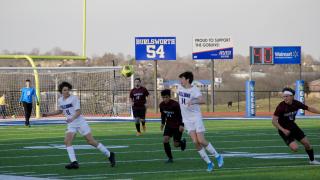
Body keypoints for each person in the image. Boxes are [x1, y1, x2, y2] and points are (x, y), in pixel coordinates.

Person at [42, 81, 115, 169]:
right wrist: (48, 114)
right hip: (71, 124)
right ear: (61, 91)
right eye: (64, 90)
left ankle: (109, 154)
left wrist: (72, 118)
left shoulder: (74, 98)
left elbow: (78, 111)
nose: (67, 91)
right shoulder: (60, 100)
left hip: (80, 122)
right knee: (67, 141)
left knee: (91, 141)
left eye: (68, 90)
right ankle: (74, 162)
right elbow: (60, 111)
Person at [177, 71, 223, 172]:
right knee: (195, 142)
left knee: (201, 140)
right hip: (186, 119)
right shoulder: (179, 88)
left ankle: (218, 156)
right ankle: (209, 163)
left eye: (182, 78)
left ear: (187, 79)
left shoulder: (195, 90)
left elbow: (202, 100)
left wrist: (193, 101)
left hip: (196, 117)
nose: (180, 80)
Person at [272, 87, 320, 165]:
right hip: (284, 130)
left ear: (292, 96)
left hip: (293, 127)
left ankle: (312, 160)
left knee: (307, 144)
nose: (285, 98)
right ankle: (290, 140)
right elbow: (274, 121)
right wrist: (283, 130)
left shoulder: (296, 103)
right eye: (284, 96)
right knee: (295, 148)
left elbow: (309, 108)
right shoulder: (281, 106)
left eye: (287, 96)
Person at [159, 89, 187, 163]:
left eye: (166, 97)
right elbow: (163, 115)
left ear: (169, 97)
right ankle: (170, 158)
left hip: (177, 126)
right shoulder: (161, 105)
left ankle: (182, 143)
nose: (165, 99)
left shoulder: (175, 104)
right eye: (163, 97)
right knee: (165, 140)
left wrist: (181, 125)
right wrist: (162, 123)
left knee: (176, 144)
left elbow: (181, 115)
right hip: (169, 125)